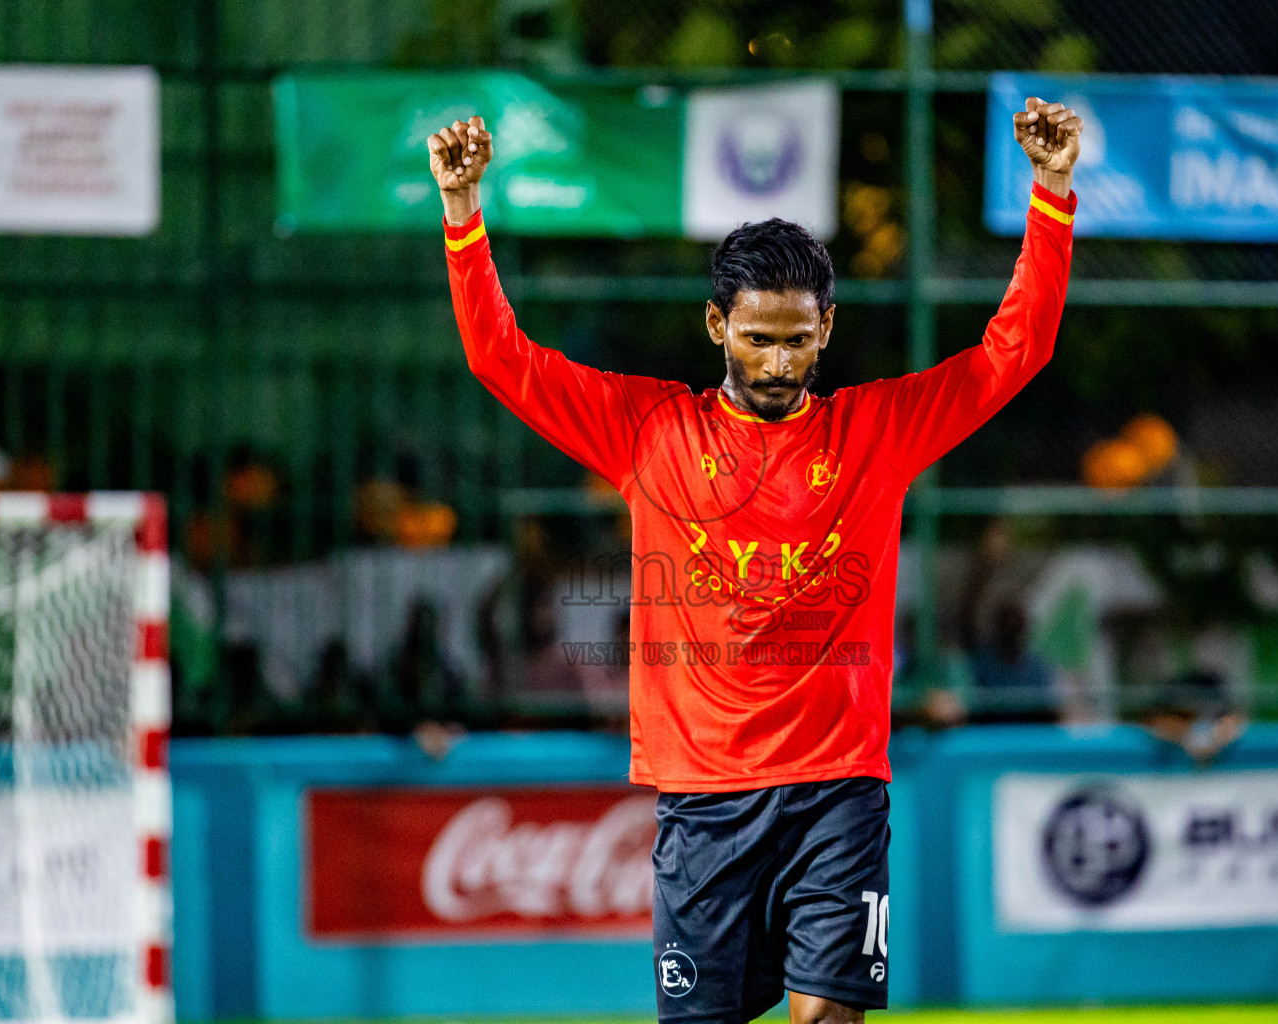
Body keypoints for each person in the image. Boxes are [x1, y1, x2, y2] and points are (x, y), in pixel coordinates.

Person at [427, 95, 1080, 1024]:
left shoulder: (877, 431)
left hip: (838, 794)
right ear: (715, 326)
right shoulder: (647, 431)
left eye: (798, 338)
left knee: (830, 1018)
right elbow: (502, 358)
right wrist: (463, 217)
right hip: (703, 805)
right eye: (758, 337)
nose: (778, 362)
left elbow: (1015, 350)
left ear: (827, 329)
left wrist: (1051, 195)